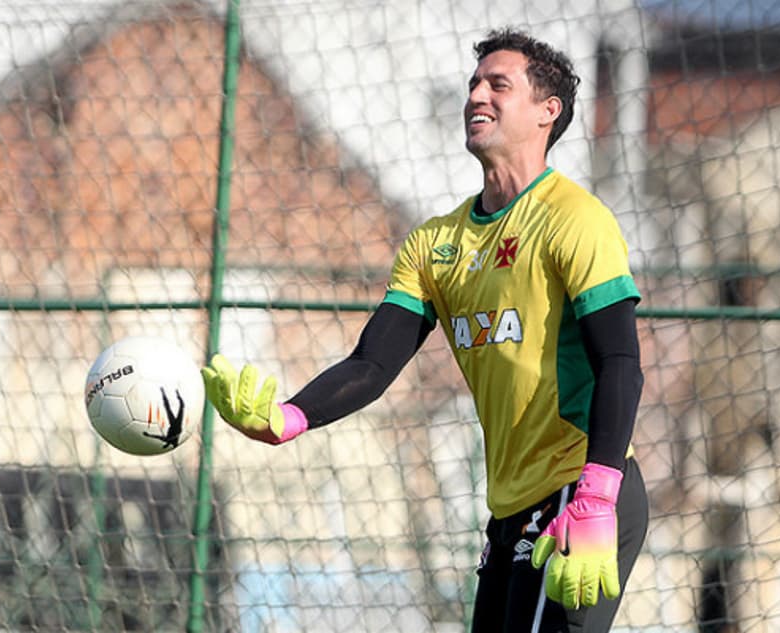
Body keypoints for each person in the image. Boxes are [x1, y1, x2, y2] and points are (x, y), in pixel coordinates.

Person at [202, 27, 649, 633]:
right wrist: (286, 418)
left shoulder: (576, 219)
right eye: (473, 85)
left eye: (498, 85)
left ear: (549, 111)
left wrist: (598, 495)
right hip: (511, 508)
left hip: (582, 489)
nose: (476, 97)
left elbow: (620, 360)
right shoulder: (434, 243)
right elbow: (372, 364)